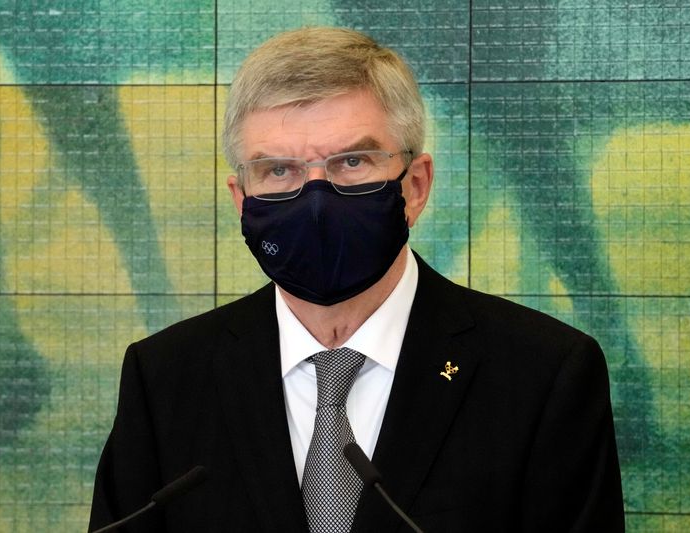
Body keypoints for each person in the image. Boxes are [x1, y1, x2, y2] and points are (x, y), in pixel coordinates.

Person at [89, 27, 624, 532]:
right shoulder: (163, 379)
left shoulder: (544, 375)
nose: (315, 200)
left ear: (415, 186)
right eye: (279, 170)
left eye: (352, 162)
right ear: (241, 199)